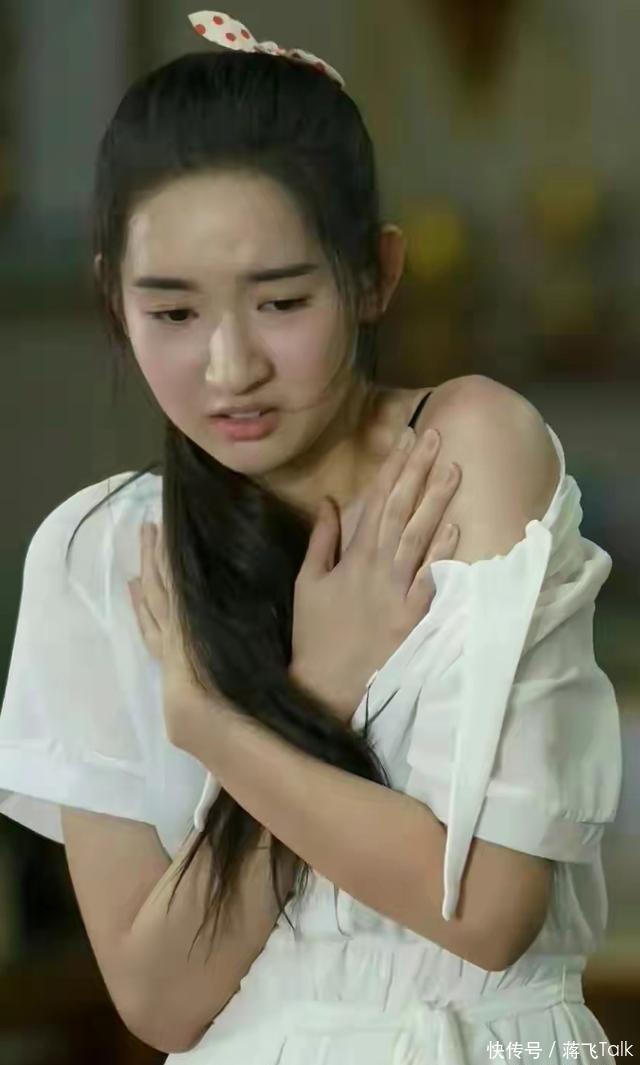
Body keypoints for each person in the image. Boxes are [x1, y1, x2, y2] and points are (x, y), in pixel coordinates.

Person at [0, 9, 623, 1064]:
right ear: (113, 297)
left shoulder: (465, 452)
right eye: (172, 313)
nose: (230, 367)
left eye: (281, 301)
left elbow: (487, 907)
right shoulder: (97, 553)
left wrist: (221, 730)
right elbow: (160, 1000)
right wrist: (316, 692)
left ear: (374, 274)